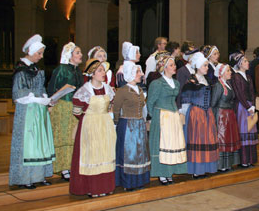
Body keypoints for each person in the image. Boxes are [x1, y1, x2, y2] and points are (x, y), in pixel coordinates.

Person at [9, 34, 55, 189]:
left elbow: (41, 88)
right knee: (27, 144)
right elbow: (18, 94)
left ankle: (38, 175)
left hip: (38, 111)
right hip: (27, 111)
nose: (40, 57)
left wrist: (45, 98)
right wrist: (36, 99)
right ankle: (25, 177)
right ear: (30, 51)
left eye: (41, 53)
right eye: (38, 53)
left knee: (39, 143)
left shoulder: (37, 70)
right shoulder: (21, 70)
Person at [70, 59, 116, 197]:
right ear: (92, 73)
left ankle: (105, 186)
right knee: (92, 155)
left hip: (105, 124)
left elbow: (109, 107)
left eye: (104, 70)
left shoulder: (108, 89)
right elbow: (77, 111)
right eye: (100, 70)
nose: (103, 73)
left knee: (105, 153)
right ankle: (93, 188)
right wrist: (90, 119)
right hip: (90, 125)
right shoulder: (84, 91)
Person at [147, 54, 187, 185]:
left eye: (174, 64)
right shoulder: (157, 83)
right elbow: (150, 102)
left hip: (173, 117)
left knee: (172, 144)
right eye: (171, 65)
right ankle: (161, 173)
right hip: (162, 117)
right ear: (164, 67)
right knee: (161, 145)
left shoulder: (176, 83)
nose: (174, 67)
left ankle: (169, 172)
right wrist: (155, 117)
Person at [47, 42, 84, 181]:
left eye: (80, 52)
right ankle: (63, 167)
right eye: (78, 53)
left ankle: (72, 165)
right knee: (63, 136)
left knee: (73, 136)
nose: (81, 55)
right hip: (62, 106)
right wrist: (51, 103)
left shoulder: (78, 71)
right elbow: (52, 87)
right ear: (70, 55)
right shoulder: (61, 69)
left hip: (75, 106)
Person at [112, 62, 150, 191]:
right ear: (131, 74)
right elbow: (116, 109)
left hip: (139, 124)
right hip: (128, 125)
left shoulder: (139, 89)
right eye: (138, 72)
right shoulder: (122, 91)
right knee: (130, 154)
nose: (141, 74)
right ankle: (128, 182)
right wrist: (117, 123)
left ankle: (139, 180)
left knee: (140, 154)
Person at [180, 52, 219, 177]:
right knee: (198, 140)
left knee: (207, 140)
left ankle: (206, 167)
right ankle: (197, 170)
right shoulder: (192, 80)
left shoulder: (206, 80)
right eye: (205, 66)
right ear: (198, 66)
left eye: (207, 66)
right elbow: (185, 98)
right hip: (196, 113)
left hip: (207, 113)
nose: (207, 68)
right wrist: (185, 116)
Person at [211, 64, 242, 171]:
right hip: (221, 115)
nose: (230, 72)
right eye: (228, 71)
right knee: (222, 139)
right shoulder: (218, 86)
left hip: (229, 114)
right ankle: (221, 164)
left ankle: (227, 164)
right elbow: (213, 103)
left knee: (228, 138)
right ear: (222, 73)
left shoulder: (228, 84)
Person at [230, 52, 259, 167]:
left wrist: (253, 105)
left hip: (249, 105)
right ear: (240, 64)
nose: (248, 63)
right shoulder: (236, 76)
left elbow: (252, 91)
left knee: (250, 130)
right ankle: (243, 160)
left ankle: (250, 159)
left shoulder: (248, 76)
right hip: (242, 107)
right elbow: (239, 93)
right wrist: (248, 107)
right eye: (245, 61)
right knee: (244, 131)